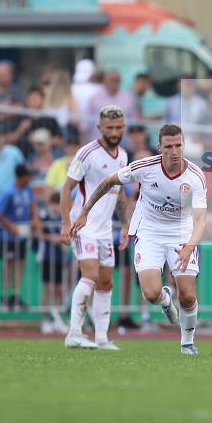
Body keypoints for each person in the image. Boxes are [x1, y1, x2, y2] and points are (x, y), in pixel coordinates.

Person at [70, 124, 208, 356]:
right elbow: (108, 181)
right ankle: (165, 300)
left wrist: (190, 246)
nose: (174, 151)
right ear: (159, 147)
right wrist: (85, 211)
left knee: (187, 294)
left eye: (178, 145)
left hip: (181, 234)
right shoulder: (146, 167)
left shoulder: (195, 176)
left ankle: (187, 343)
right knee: (151, 294)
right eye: (169, 146)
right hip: (149, 233)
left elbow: (202, 219)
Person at [59, 105, 129, 350]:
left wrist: (126, 224)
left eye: (118, 127)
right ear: (99, 128)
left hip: (106, 230)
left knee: (106, 282)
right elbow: (66, 188)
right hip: (84, 225)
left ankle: (101, 338)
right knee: (90, 275)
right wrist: (66, 223)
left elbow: (119, 193)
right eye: (109, 128)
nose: (114, 131)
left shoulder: (123, 156)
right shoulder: (86, 153)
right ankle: (74, 333)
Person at [0, 164, 41, 310]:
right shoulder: (8, 191)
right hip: (8, 236)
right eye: (27, 176)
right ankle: (4, 296)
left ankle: (15, 295)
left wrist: (35, 218)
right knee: (8, 265)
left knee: (20, 263)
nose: (30, 179)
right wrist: (10, 226)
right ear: (21, 177)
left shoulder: (27, 189)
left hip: (21, 234)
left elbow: (33, 204)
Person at [37, 191, 69, 334]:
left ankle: (56, 319)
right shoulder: (44, 216)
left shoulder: (63, 217)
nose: (55, 207)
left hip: (59, 258)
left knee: (57, 289)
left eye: (58, 204)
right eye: (53, 204)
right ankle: (45, 319)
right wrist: (53, 239)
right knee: (48, 288)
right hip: (46, 257)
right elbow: (38, 233)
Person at [84, 70, 139, 141]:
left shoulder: (128, 98)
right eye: (111, 80)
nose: (114, 83)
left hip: (122, 144)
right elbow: (85, 124)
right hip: (98, 143)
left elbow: (134, 122)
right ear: (104, 81)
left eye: (117, 80)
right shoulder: (95, 98)